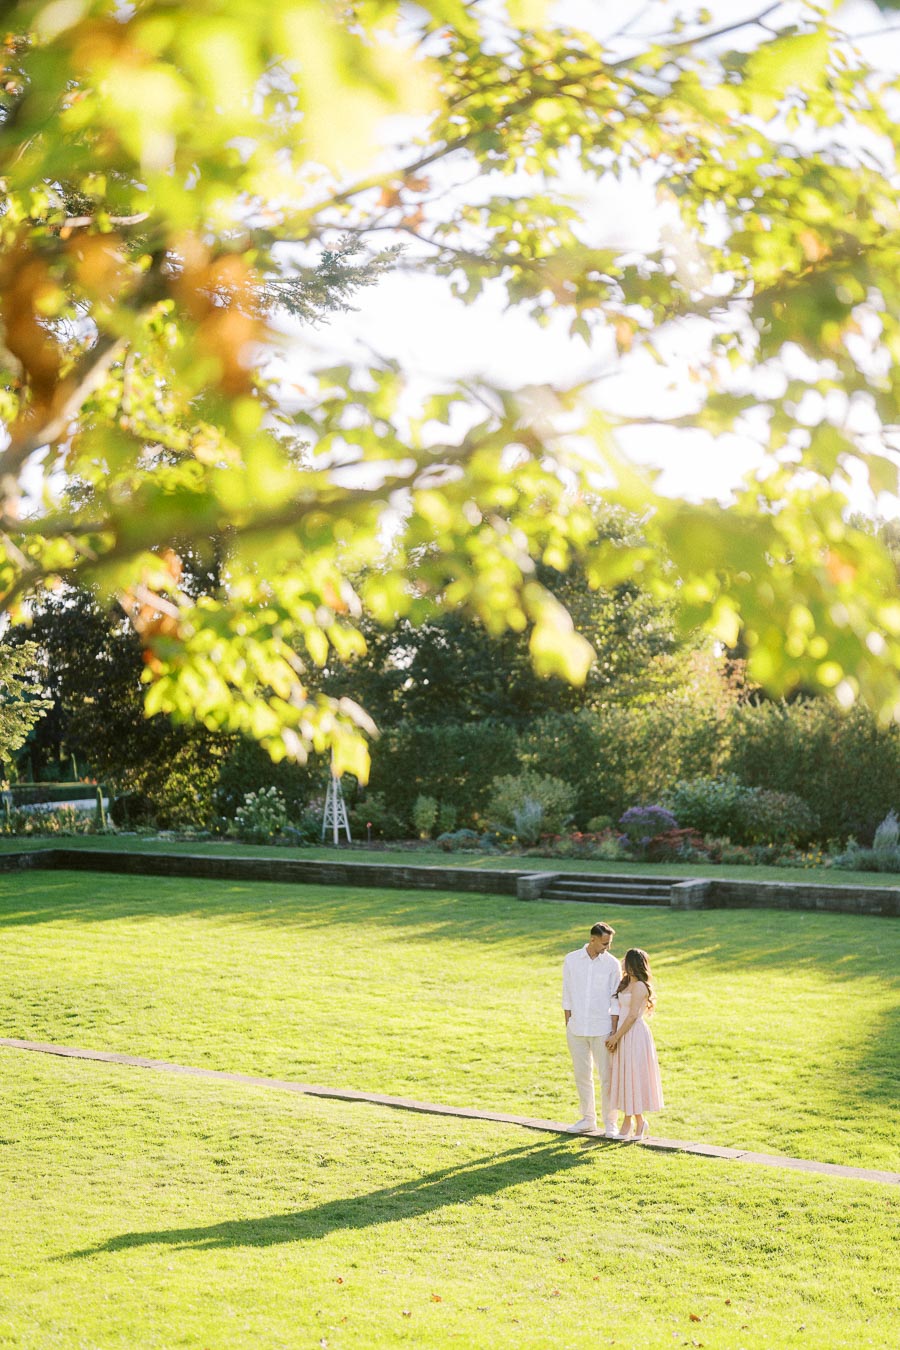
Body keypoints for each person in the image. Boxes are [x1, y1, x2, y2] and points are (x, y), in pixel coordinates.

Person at [561, 922, 621, 1136]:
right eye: (605, 943)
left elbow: (616, 1000)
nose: (607, 947)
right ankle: (587, 1119)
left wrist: (613, 1031)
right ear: (593, 939)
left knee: (607, 1077)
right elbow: (567, 993)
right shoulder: (571, 960)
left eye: (609, 943)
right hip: (576, 1028)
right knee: (582, 1075)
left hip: (602, 1029)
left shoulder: (612, 964)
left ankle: (610, 1122)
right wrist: (568, 1022)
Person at [605, 947, 664, 1142]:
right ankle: (636, 1121)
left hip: (633, 1035)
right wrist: (613, 1033)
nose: (622, 964)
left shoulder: (639, 987)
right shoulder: (625, 984)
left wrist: (616, 1037)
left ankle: (630, 1121)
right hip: (623, 1034)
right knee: (625, 1076)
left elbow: (631, 1016)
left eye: (625, 961)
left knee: (633, 1075)